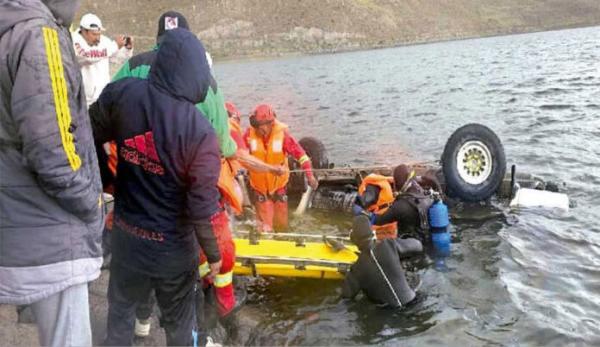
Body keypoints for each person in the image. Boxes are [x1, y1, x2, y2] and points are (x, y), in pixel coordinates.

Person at [89, 29, 222, 346]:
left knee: (120, 316)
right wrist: (214, 254)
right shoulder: (200, 131)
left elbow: (84, 132)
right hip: (173, 251)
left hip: (126, 239)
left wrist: (106, 181)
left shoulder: (123, 94)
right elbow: (201, 206)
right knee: (178, 324)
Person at [0, 1, 104, 346]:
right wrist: (90, 201)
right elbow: (52, 149)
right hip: (50, 232)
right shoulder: (39, 35)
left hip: (14, 222)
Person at [244, 104, 318, 232]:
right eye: (255, 126)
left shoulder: (283, 136)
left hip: (279, 187)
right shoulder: (249, 135)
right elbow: (239, 154)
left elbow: (302, 156)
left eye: (259, 126)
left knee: (282, 226)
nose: (256, 129)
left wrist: (310, 176)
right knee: (265, 228)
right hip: (260, 189)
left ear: (270, 124)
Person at [341, 215, 422, 307]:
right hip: (414, 303)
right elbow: (418, 246)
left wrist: (347, 275)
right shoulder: (389, 245)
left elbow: (346, 297)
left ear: (353, 240)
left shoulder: (355, 270)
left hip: (388, 313)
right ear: (373, 234)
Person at [72, 12, 133, 106]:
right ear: (84, 31)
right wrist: (115, 45)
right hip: (83, 102)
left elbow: (117, 58)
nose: (98, 38)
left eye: (99, 34)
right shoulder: (74, 41)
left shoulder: (103, 41)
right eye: (94, 34)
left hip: (103, 97)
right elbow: (88, 57)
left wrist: (127, 49)